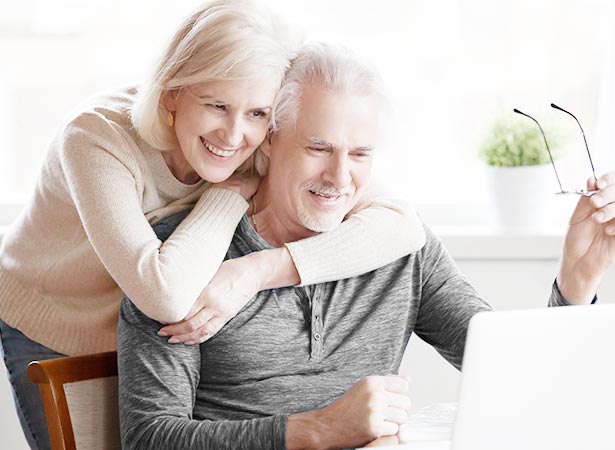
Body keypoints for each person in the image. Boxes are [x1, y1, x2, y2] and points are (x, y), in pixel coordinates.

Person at [117, 42, 615, 450]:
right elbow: (150, 437)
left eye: (360, 154)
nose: (339, 177)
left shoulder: (400, 249)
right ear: (269, 138)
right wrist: (317, 430)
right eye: (318, 148)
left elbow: (514, 372)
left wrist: (575, 284)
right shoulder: (183, 260)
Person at [0, 2, 426, 450]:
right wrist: (228, 193)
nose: (233, 135)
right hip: (56, 322)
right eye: (216, 105)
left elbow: (403, 225)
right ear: (171, 95)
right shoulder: (95, 139)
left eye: (258, 113)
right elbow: (163, 295)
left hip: (146, 329)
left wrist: (257, 271)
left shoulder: (257, 138)